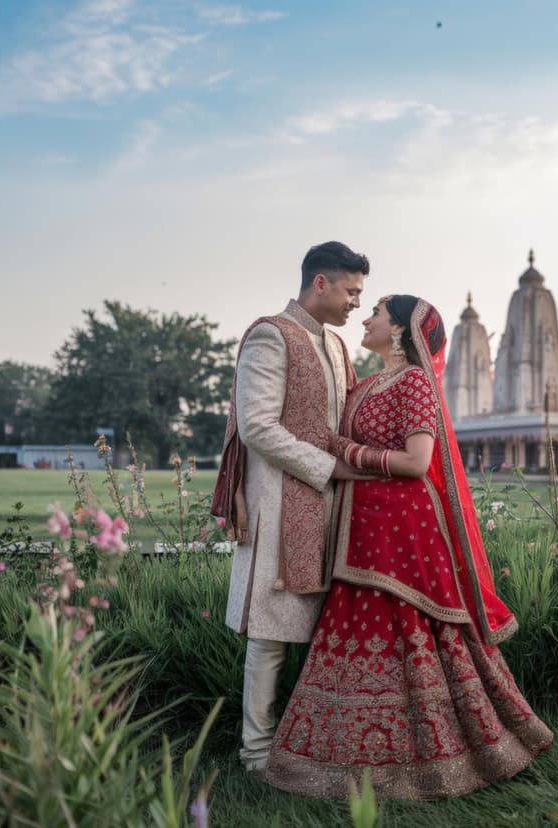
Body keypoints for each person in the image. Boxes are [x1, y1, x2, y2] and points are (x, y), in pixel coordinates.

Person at [265, 295, 553, 799]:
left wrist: (350, 452)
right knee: (358, 624)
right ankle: (348, 754)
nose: (366, 318)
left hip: (404, 526)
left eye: (376, 312)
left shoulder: (415, 381)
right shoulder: (364, 385)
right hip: (360, 527)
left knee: (410, 625)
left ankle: (443, 756)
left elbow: (418, 462)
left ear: (399, 330)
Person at [210, 241, 370, 773]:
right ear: (320, 283)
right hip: (278, 503)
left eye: (361, 294)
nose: (356, 302)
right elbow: (257, 427)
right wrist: (328, 468)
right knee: (272, 634)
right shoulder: (270, 335)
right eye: (350, 291)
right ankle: (257, 753)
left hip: (331, 507)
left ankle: (312, 741)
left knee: (325, 630)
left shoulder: (336, 346)